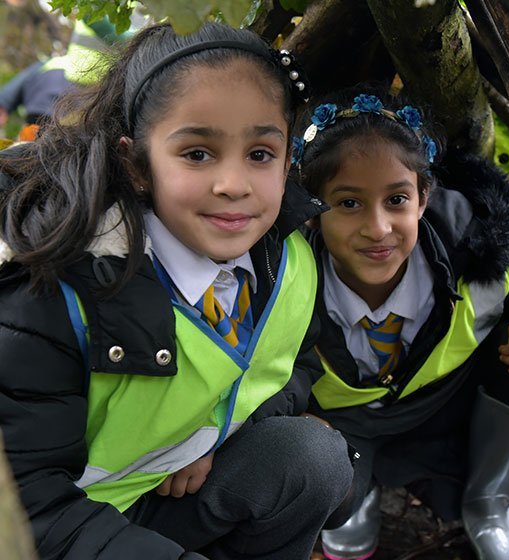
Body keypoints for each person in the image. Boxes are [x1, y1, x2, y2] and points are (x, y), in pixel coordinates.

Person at [0, 22, 354, 560]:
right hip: (51, 526)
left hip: (155, 495)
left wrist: (205, 438)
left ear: (288, 162)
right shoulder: (58, 283)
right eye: (197, 153)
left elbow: (289, 366)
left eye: (260, 153)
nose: (233, 183)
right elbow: (27, 503)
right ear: (138, 165)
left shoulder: (291, 260)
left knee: (314, 460)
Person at [293, 86, 509, 560]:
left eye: (396, 199)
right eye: (349, 203)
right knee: (316, 462)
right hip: (342, 427)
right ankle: (355, 496)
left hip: (441, 414)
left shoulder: (471, 251)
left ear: (423, 198)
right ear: (313, 210)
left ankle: (490, 505)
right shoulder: (285, 280)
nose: (377, 228)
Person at [0, 18, 128, 141]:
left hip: (64, 89)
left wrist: (5, 101)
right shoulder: (101, 11)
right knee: (41, 142)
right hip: (62, 92)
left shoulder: (57, 64)